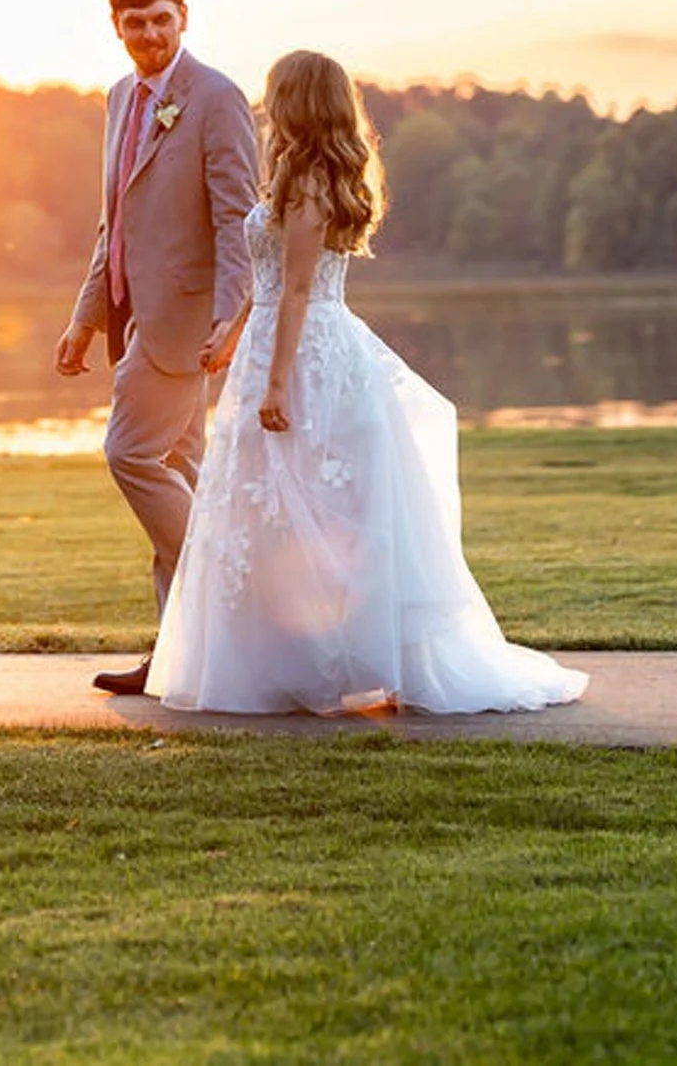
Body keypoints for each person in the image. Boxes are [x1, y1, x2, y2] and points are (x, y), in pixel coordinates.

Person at [147, 50, 588, 715]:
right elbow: (269, 280)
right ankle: (283, 662)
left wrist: (275, 384)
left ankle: (338, 662)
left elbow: (298, 288)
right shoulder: (291, 173)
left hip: (306, 352)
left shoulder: (313, 185)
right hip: (270, 339)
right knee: (263, 509)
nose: (266, 105)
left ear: (296, 100)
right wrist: (235, 329)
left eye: (275, 94)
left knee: (321, 508)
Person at [55, 0, 260, 696]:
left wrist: (231, 318)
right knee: (182, 473)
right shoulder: (118, 98)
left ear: (184, 18)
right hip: (131, 319)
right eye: (135, 22)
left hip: (185, 324)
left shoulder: (217, 98)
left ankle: (231, 591)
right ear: (117, 27)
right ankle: (183, 660)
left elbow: (241, 218)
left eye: (161, 19)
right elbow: (116, 220)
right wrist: (85, 317)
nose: (150, 34)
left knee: (131, 454)